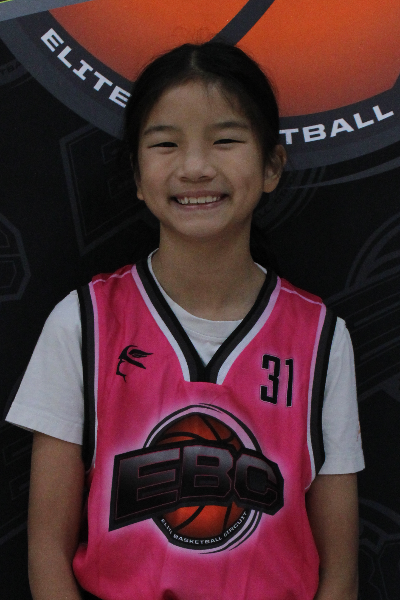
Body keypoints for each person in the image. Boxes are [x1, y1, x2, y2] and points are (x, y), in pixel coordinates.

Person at [6, 42, 364, 600]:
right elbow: (47, 554)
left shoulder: (321, 337)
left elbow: (340, 573)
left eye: (225, 140)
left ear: (272, 165)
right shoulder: (82, 323)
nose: (195, 167)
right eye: (166, 143)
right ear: (137, 173)